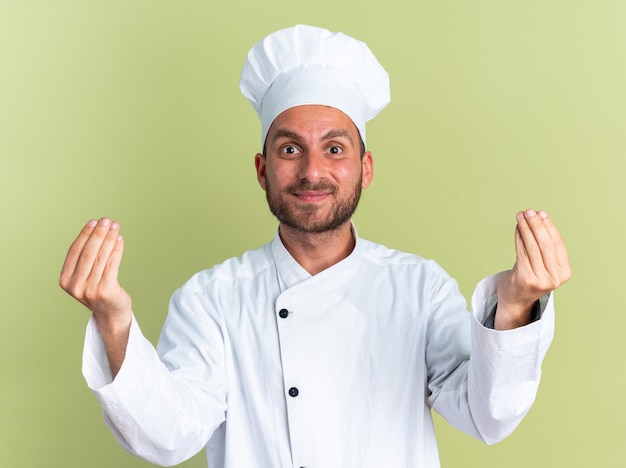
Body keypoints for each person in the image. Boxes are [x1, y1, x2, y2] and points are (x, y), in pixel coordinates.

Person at [59, 25, 571, 468]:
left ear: (364, 169)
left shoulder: (419, 288)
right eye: (289, 149)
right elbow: (167, 436)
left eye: (334, 148)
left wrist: (516, 305)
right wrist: (113, 320)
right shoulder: (212, 299)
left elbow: (487, 414)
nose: (312, 171)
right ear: (262, 171)